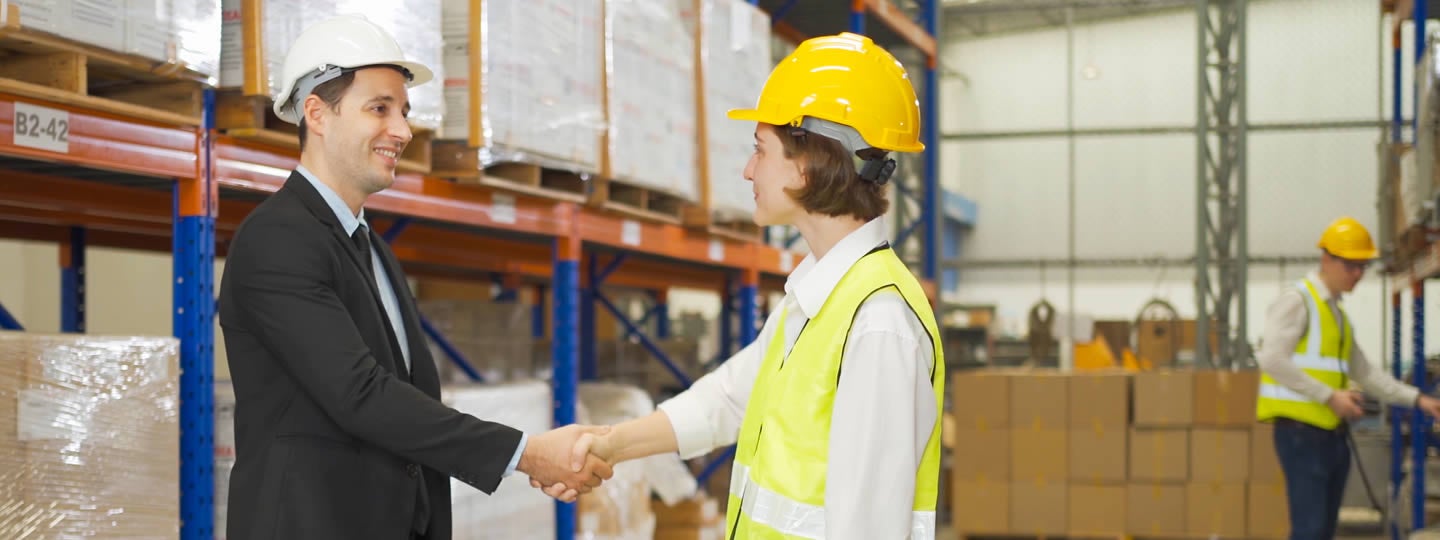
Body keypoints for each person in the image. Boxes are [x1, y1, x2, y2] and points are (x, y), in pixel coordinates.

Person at [534, 32, 945, 539]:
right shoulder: (816, 299)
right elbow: (728, 401)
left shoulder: (878, 324)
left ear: (811, 159)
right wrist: (608, 446)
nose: (748, 169)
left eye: (760, 149)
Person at [217, 14, 611, 540]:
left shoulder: (371, 249)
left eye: (403, 111)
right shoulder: (277, 239)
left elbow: (407, 402)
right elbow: (359, 393)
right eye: (378, 108)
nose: (402, 130)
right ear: (317, 113)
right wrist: (527, 453)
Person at [1255, 216, 1440, 540]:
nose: (1357, 274)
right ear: (1327, 259)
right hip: (1301, 436)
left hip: (1330, 435)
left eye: (1363, 266)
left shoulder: (1336, 315)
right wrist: (1331, 396)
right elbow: (1271, 357)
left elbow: (1366, 372)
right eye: (1351, 265)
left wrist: (1418, 399)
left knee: (1323, 531)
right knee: (1310, 531)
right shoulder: (1298, 301)